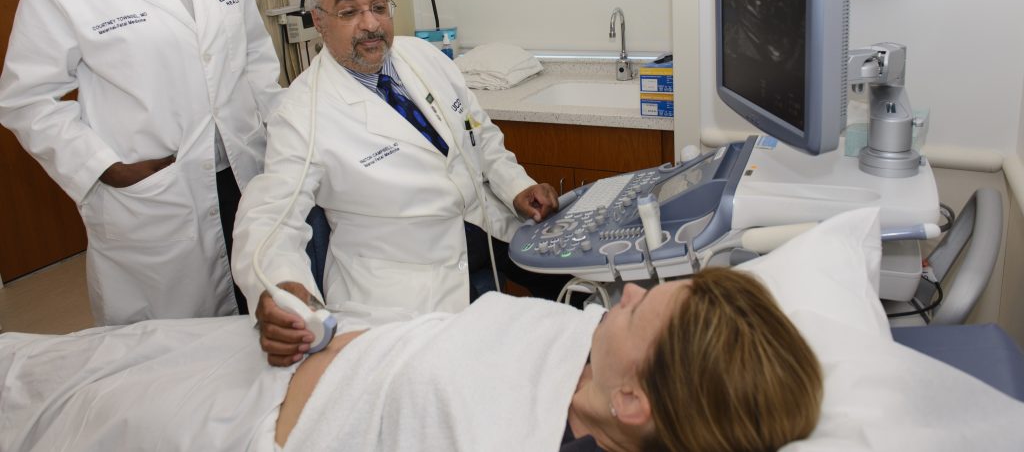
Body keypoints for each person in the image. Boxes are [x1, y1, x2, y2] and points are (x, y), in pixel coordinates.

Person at [0, 268, 823, 452]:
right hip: (324, 344)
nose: (633, 289)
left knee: (47, 404)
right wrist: (311, 319)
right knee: (97, 347)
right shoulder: (588, 363)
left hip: (249, 424)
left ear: (636, 401)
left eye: (648, 304)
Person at [0, 0, 282, 325]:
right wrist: (104, 166)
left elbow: (255, 59)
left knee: (260, 317)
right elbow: (26, 98)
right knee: (169, 347)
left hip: (244, 172)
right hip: (157, 189)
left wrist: (283, 139)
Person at [231, 0, 564, 365]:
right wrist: (279, 289)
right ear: (319, 21)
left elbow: (480, 134)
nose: (370, 24)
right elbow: (270, 219)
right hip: (402, 282)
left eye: (379, 6)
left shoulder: (423, 58)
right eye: (349, 11)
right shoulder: (301, 114)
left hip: (483, 226)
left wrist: (517, 187)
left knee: (575, 286)